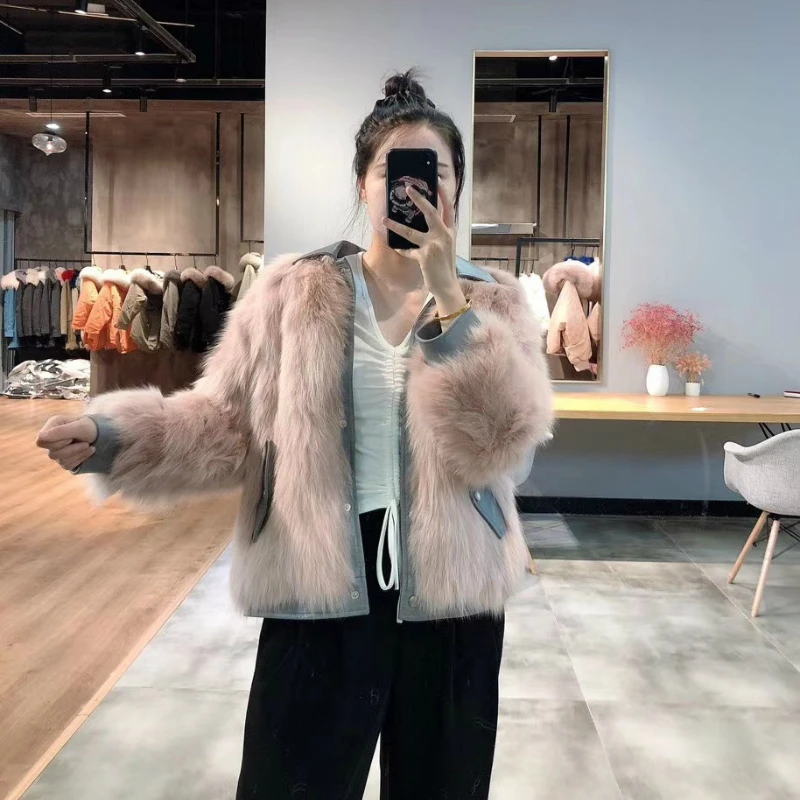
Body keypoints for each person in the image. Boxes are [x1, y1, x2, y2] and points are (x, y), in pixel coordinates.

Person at [36, 70, 553, 800]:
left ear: (456, 189)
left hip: (454, 594)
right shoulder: (292, 291)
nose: (412, 188)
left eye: (433, 172)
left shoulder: (493, 301)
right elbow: (225, 421)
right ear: (364, 185)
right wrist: (116, 437)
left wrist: (448, 298)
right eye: (393, 171)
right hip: (319, 581)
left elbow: (506, 446)